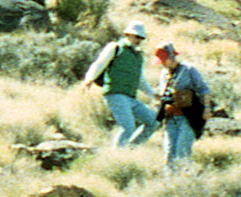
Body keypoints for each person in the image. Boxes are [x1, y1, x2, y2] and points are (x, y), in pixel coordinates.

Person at [81, 20, 157, 147]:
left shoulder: (138, 56)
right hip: (115, 95)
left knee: (153, 121)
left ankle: (129, 149)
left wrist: (153, 95)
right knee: (128, 127)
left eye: (141, 37)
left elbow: (140, 80)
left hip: (130, 97)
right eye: (137, 36)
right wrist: (88, 79)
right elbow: (99, 64)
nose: (139, 40)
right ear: (128, 34)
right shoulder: (115, 47)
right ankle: (117, 155)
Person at [154, 43, 212, 171]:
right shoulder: (164, 74)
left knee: (182, 154)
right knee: (169, 155)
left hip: (188, 118)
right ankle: (170, 184)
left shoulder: (189, 70)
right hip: (170, 120)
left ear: (171, 58)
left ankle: (186, 183)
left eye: (164, 60)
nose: (163, 64)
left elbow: (203, 89)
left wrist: (207, 108)